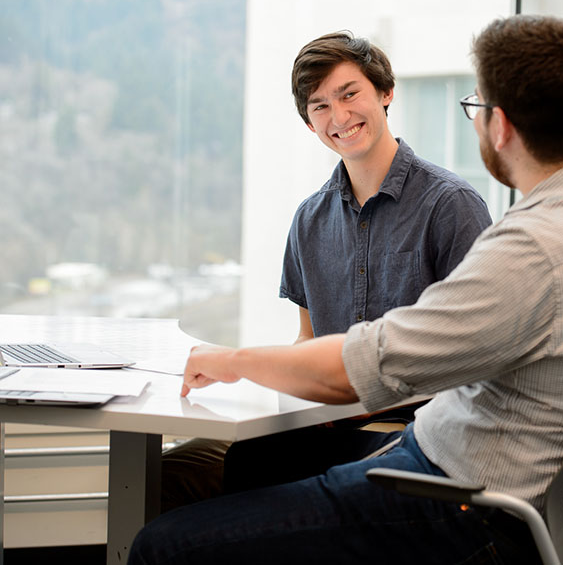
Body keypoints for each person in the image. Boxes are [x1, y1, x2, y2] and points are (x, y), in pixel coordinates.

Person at [130, 14, 563, 564]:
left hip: (458, 504)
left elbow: (356, 368)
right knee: (247, 470)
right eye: (321, 105)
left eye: (475, 107)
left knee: (165, 545)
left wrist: (230, 360)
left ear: (498, 125)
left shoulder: (528, 246)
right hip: (516, 500)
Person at [160, 31, 493, 509]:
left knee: (258, 484)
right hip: (322, 424)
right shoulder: (309, 218)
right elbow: (308, 339)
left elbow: (474, 356)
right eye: (319, 106)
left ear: (385, 92)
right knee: (200, 468)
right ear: (309, 122)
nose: (339, 117)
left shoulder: (450, 205)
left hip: (416, 435)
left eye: (349, 94)